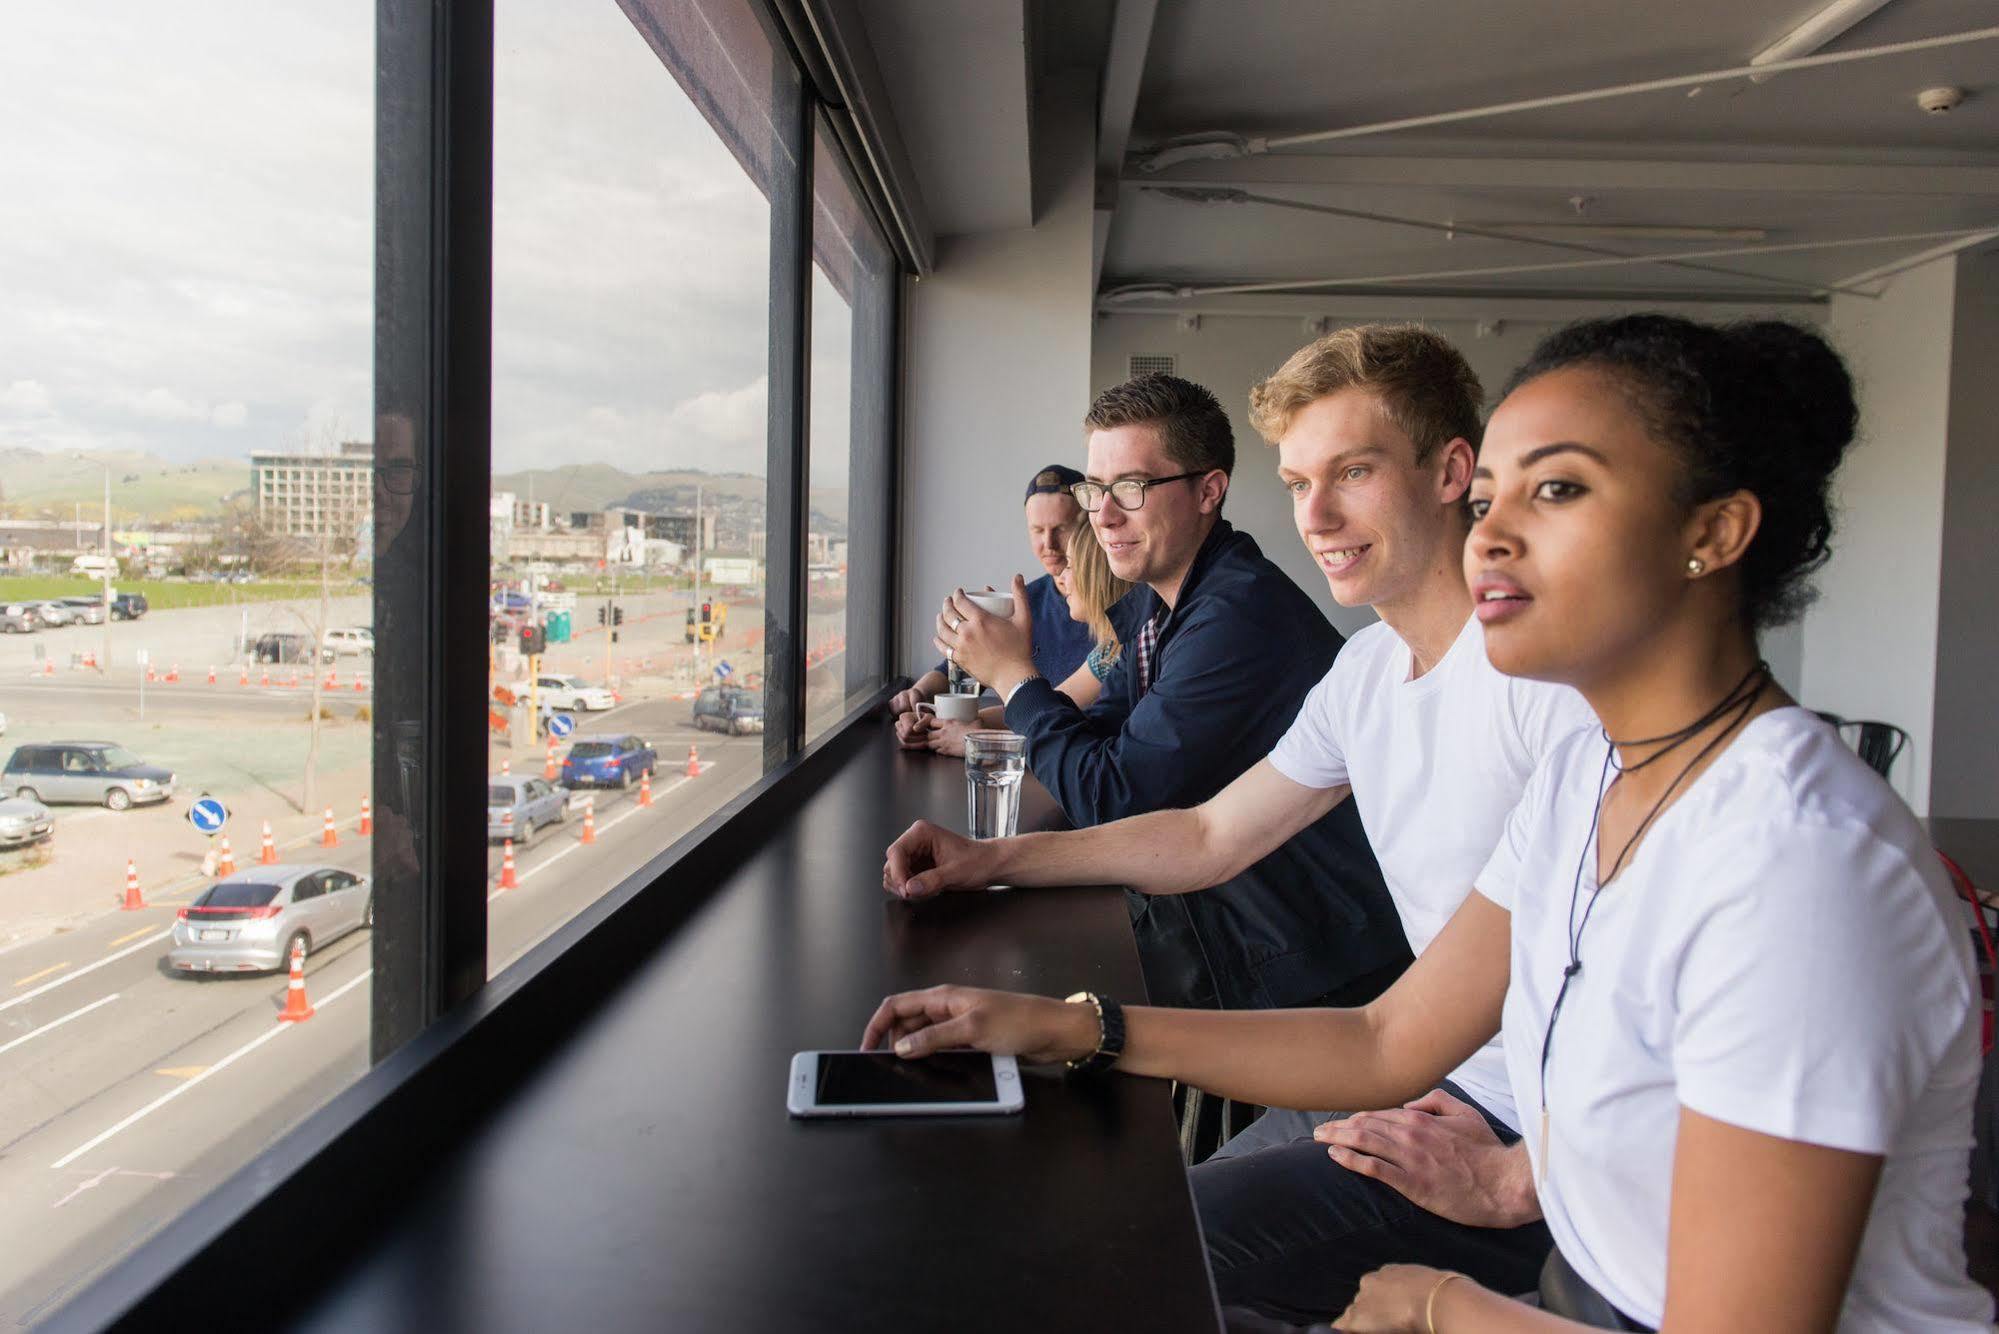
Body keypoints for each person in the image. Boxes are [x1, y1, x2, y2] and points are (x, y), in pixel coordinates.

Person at [869, 316, 1990, 1332]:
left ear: (1713, 532)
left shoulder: (1798, 862)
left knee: (1132, 1270)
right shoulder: (1591, 774)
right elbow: (1387, 1037)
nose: (1491, 531)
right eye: (1495, 491)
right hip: (1557, 1228)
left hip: (1597, 1283)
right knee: (1121, 1254)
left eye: (1555, 491)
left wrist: (1443, 1304)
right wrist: (1066, 1022)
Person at [887, 326, 1595, 1320]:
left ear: (1451, 472)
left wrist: (1524, 1173)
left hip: (1532, 1145)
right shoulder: (1366, 674)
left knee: (1131, 1255)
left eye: (1353, 471)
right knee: (1125, 1219)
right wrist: (991, 859)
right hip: (1430, 1076)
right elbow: (1207, 836)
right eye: (1299, 480)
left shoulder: (1545, 689)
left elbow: (1662, 1006)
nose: (1318, 514)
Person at [928, 372, 1409, 1015]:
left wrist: (1014, 676)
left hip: (1313, 967)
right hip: (1241, 927)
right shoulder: (1160, 609)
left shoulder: (1237, 615)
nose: (1101, 515)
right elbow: (1104, 734)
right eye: (1094, 489)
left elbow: (1112, 795)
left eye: (1130, 487)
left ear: (1209, 490)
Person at [888, 464, 1095, 729]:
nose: (1049, 544)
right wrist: (918, 694)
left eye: (1061, 528)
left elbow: (1064, 705)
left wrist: (971, 729)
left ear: (1090, 527)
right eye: (1037, 530)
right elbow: (960, 667)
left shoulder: (1117, 614)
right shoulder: (1022, 603)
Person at [918, 519, 1133, 757]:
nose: (1060, 577)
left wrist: (978, 741)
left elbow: (1079, 742)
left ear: (1098, 575)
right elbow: (1049, 707)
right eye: (1038, 529)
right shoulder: (1108, 652)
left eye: (1070, 565)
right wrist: (943, 722)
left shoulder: (1124, 654)